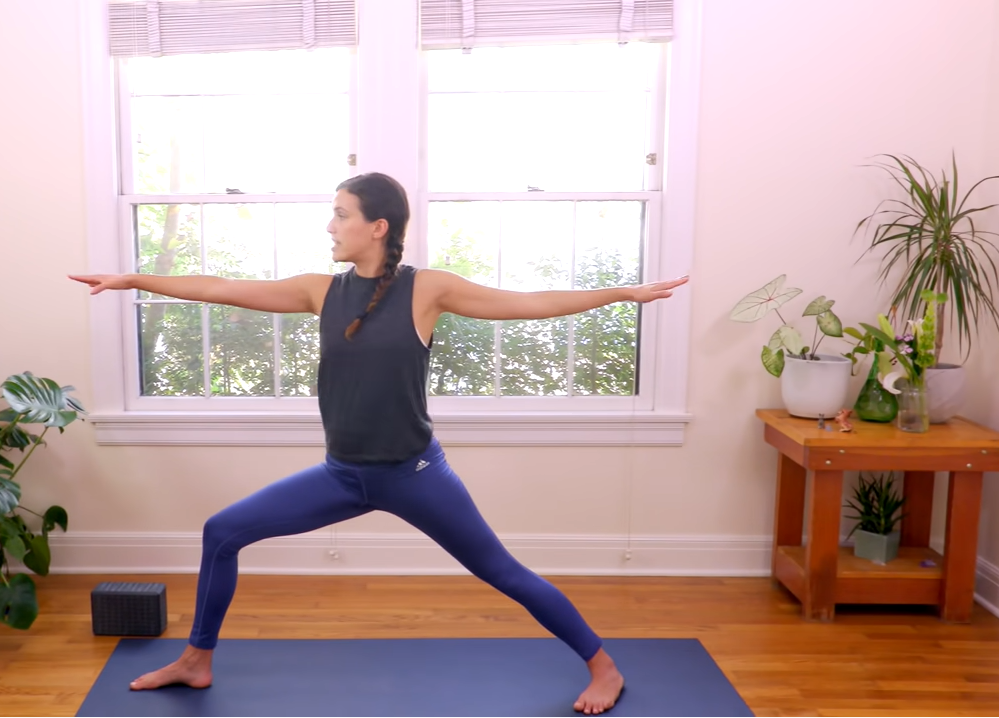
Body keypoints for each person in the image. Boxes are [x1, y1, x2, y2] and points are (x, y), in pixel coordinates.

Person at [69, 172, 688, 715]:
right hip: (343, 475)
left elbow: (529, 305)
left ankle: (603, 665)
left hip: (414, 474)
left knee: (501, 572)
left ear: (377, 226)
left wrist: (623, 294)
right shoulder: (322, 291)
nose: (330, 226)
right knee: (222, 530)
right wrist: (133, 280)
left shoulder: (426, 290)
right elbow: (221, 287)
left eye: (341, 214)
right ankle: (196, 659)